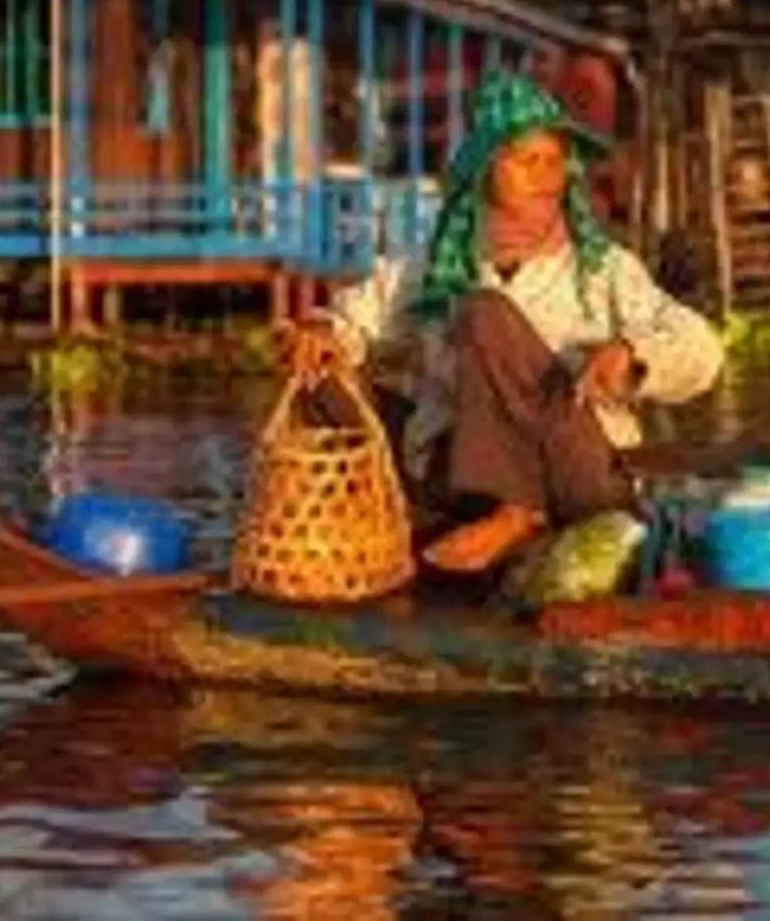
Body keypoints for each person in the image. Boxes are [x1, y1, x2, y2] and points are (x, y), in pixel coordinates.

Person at [285, 69, 726, 575]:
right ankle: (404, 513)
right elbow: (355, 316)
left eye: (555, 161)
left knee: (483, 311)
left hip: (574, 475)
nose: (546, 176)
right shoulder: (438, 261)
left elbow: (702, 347)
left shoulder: (603, 268)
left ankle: (518, 512)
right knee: (321, 375)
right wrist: (323, 335)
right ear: (485, 171)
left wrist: (633, 354)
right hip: (458, 477)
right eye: (527, 160)